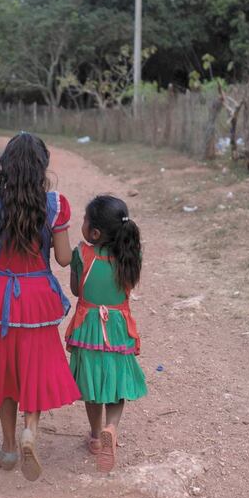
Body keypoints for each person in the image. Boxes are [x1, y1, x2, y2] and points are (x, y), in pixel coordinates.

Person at [0, 133, 80, 482]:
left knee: (5, 369)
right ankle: (30, 430)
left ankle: (9, 447)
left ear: (5, 165)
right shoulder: (55, 204)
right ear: (42, 166)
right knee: (34, 366)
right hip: (39, 298)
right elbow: (62, 258)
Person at [64, 195, 147, 472]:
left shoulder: (82, 254)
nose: (83, 223)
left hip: (88, 329)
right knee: (116, 381)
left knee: (91, 384)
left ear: (95, 233)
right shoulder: (131, 257)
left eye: (85, 220)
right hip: (117, 330)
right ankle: (112, 427)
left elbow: (76, 290)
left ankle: (96, 436)